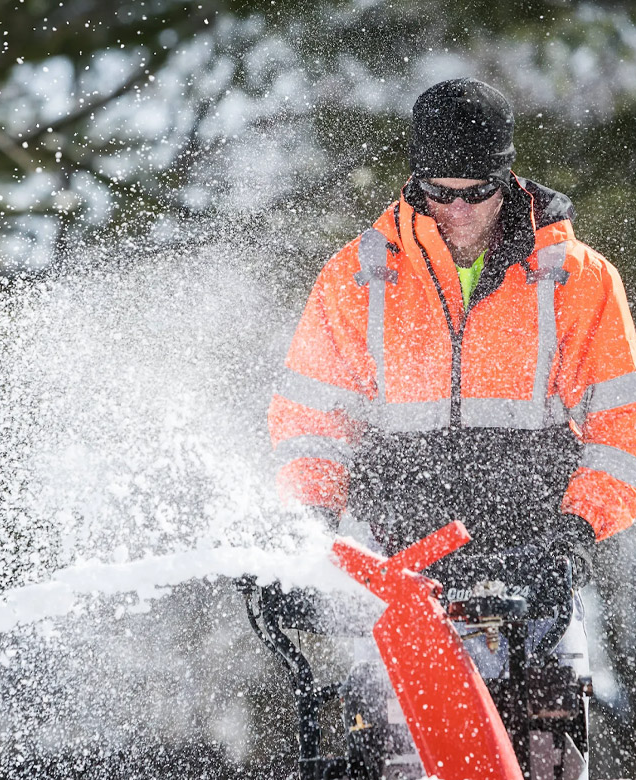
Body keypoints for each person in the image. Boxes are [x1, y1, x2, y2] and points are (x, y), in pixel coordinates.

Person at [268, 78, 636, 779]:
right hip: (401, 577)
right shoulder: (358, 277)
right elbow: (311, 423)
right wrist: (312, 523)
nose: (459, 211)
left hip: (535, 565)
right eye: (441, 191)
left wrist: (577, 531)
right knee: (403, 759)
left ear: (508, 178)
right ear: (415, 179)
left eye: (477, 191)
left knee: (548, 756)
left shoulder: (578, 280)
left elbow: (622, 424)